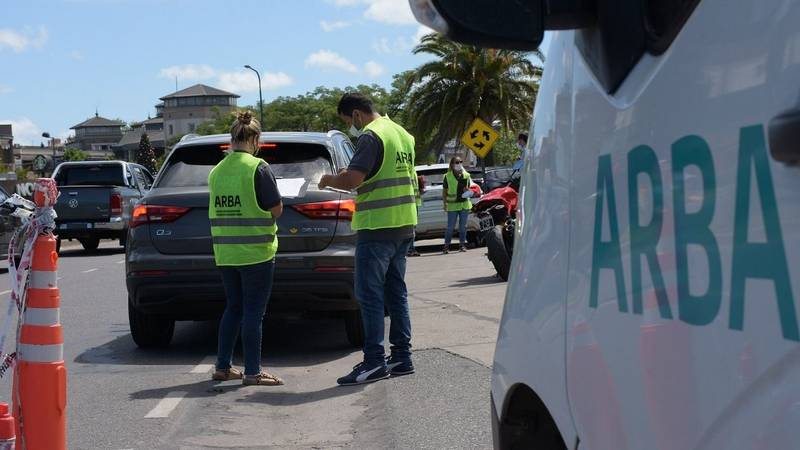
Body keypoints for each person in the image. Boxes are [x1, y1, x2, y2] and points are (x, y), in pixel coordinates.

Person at [318, 92, 418, 386]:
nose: (351, 126)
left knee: (369, 296)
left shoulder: (371, 136)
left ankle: (374, 361)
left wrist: (327, 180)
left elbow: (353, 181)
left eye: (348, 121)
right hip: (403, 224)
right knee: (395, 293)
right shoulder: (402, 134)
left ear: (357, 115)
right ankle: (401, 356)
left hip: (378, 228)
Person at [208, 111, 284, 386]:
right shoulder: (258, 167)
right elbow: (276, 210)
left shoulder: (217, 171)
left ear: (232, 137)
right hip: (257, 253)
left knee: (234, 308)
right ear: (255, 138)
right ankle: (252, 371)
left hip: (226, 254)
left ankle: (222, 366)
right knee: (253, 312)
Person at [442, 156, 472, 254]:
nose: (459, 164)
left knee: (463, 226)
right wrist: (444, 203)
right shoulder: (447, 176)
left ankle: (462, 245)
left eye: (460, 162)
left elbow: (469, 188)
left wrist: (467, 190)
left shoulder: (466, 175)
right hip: (452, 205)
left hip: (464, 204)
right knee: (450, 227)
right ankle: (446, 246)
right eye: (456, 162)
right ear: (452, 164)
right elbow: (444, 192)